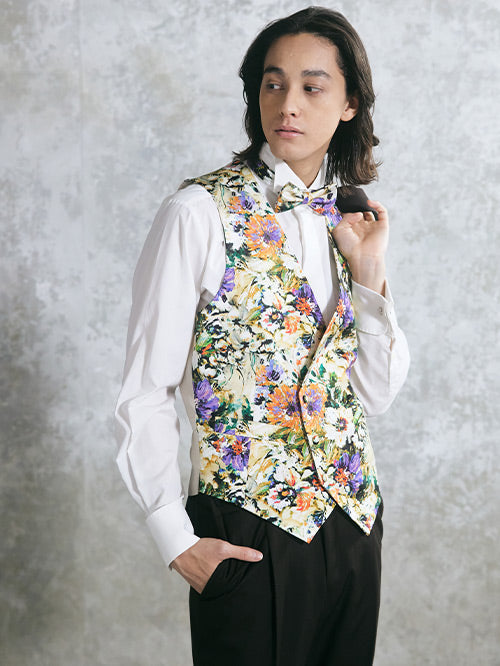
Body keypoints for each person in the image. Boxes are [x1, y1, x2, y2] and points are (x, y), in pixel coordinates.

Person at [115, 7, 410, 665]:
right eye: (273, 84)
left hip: (354, 526)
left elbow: (375, 394)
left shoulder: (349, 219)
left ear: (350, 104)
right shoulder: (197, 213)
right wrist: (175, 539)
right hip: (248, 533)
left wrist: (369, 273)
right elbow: (145, 389)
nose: (288, 104)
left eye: (312, 86)